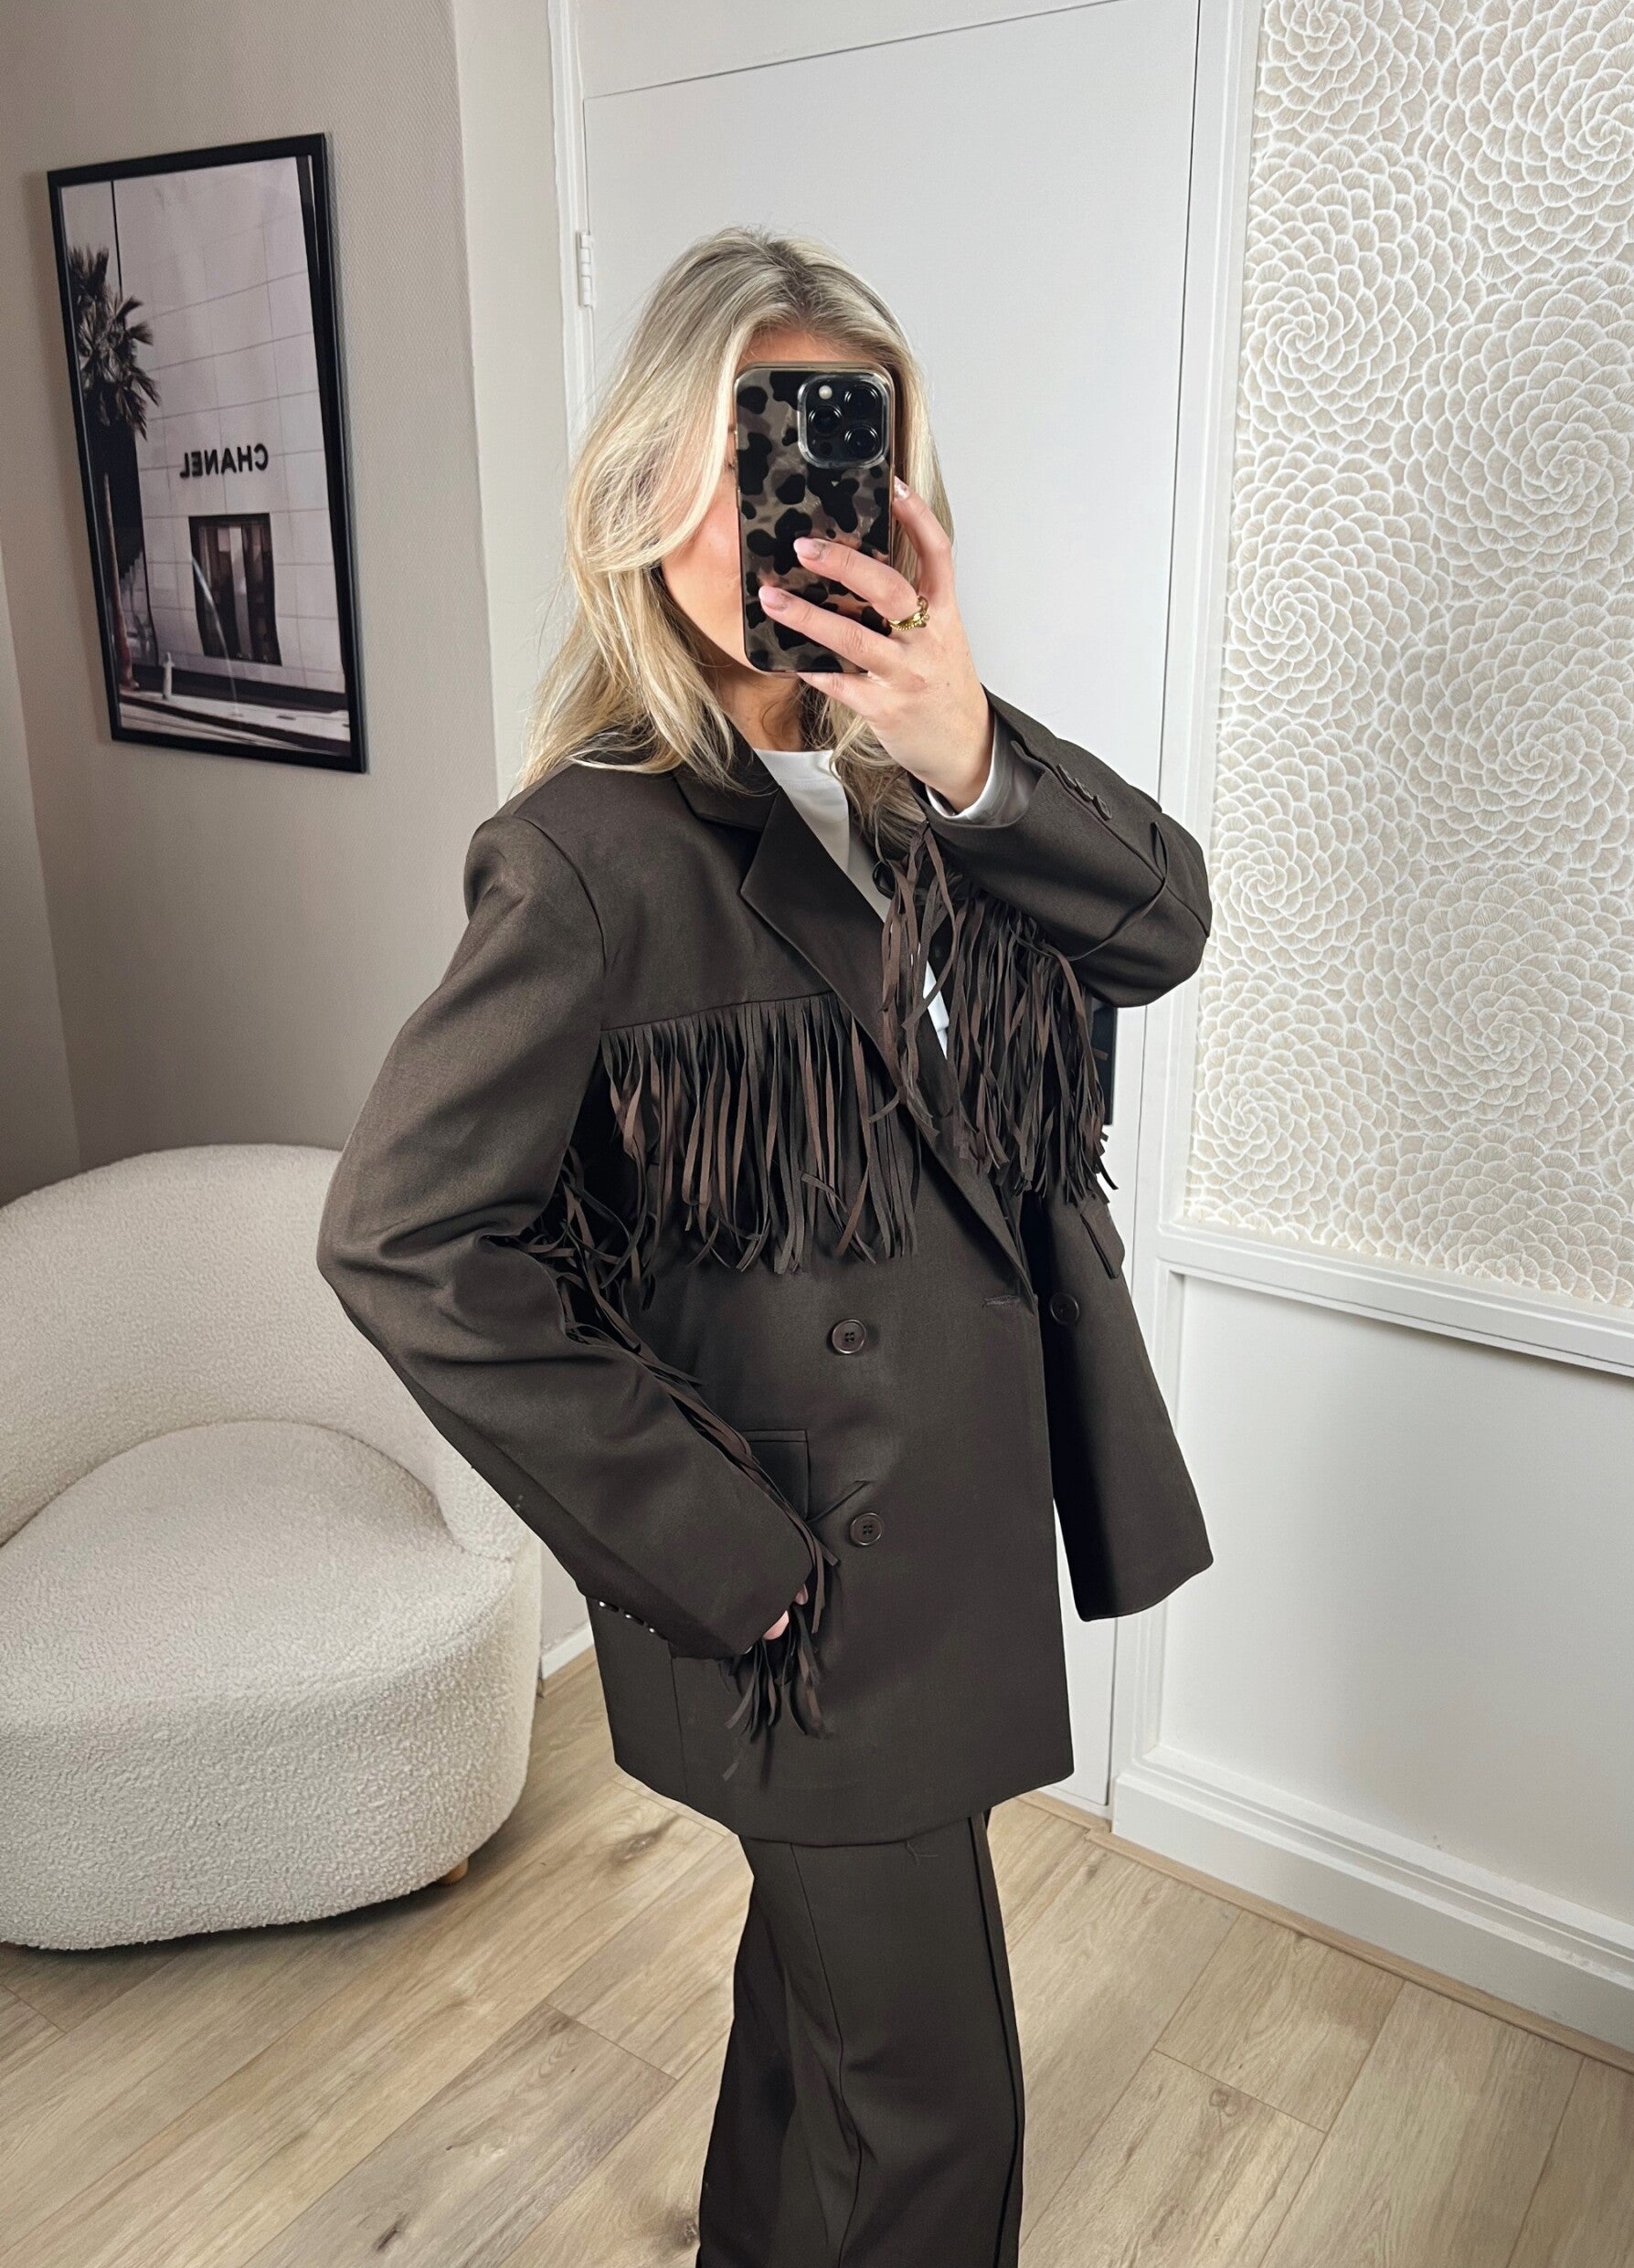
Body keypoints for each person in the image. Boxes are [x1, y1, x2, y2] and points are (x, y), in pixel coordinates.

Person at [316, 225, 1215, 2268]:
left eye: (840, 447)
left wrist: (966, 736)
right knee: (936, 2107)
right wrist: (724, 1549)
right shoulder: (588, 855)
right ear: (654, 492)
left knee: (822, 2027)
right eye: (751, 451)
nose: (795, 506)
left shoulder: (928, 784)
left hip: (943, 1544)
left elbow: (1162, 925)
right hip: (807, 1590)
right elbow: (403, 1235)